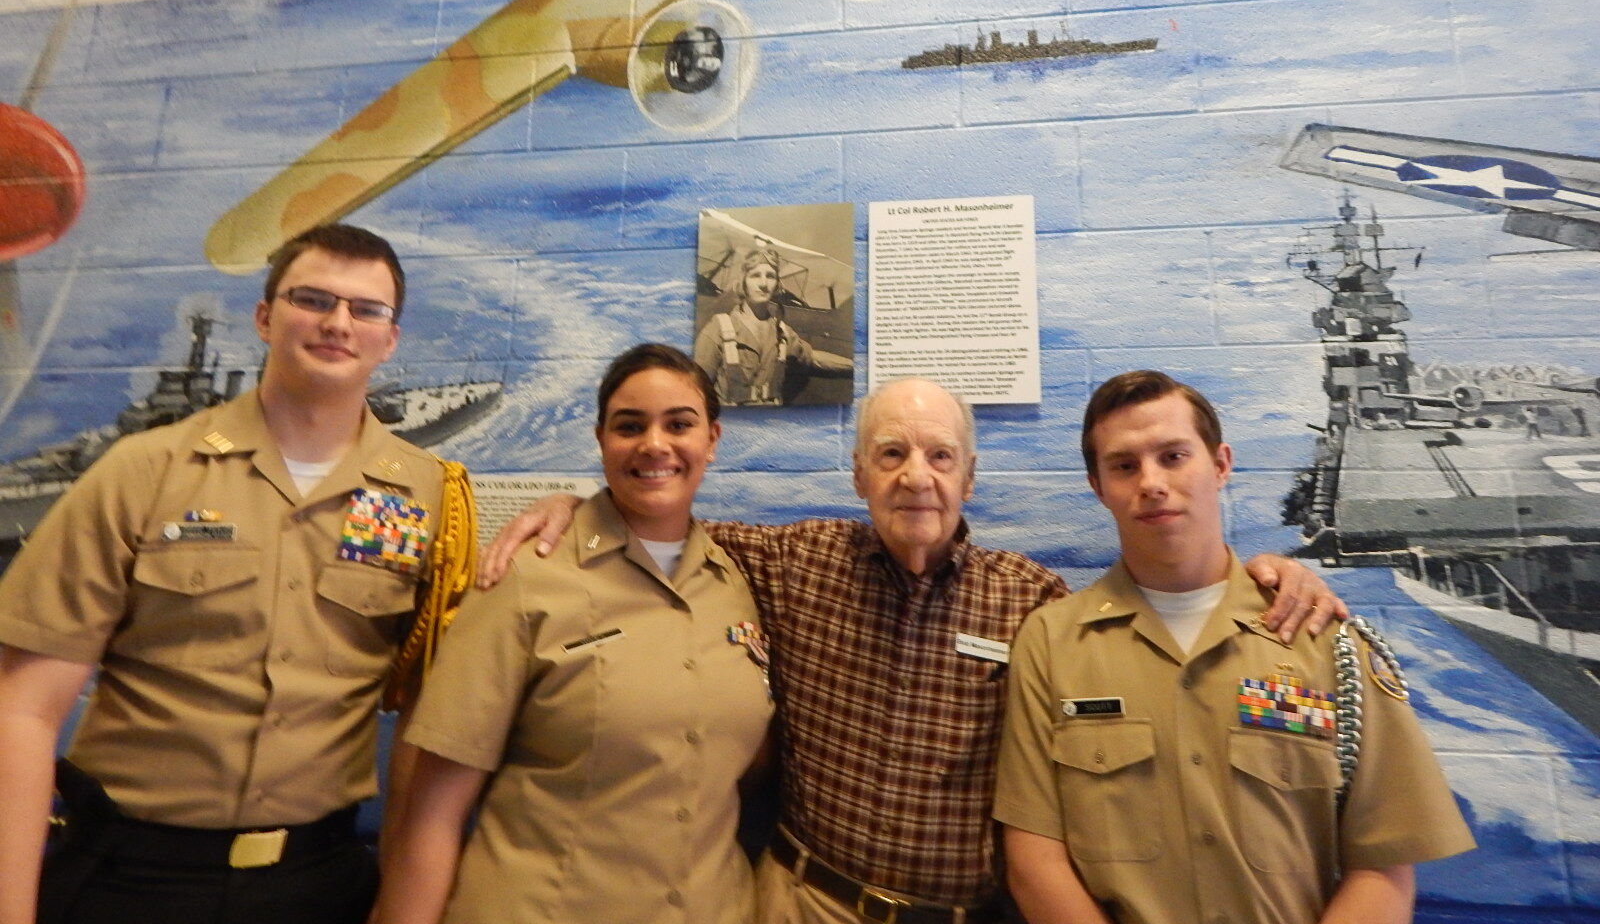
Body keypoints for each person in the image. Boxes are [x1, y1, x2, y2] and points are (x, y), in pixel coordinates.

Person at [482, 376, 1343, 922]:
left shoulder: (1038, 605)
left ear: (969, 477)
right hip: (801, 900)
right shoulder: (791, 561)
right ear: (859, 475)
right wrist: (571, 506)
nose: (915, 476)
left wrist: (1265, 574)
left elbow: (1157, 623)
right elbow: (663, 522)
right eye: (890, 454)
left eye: (939, 456)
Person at [0, 224, 471, 924]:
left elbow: (429, 718)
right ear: (265, 316)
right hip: (132, 882)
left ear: (390, 338)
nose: (338, 322)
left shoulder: (427, 496)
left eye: (365, 309)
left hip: (318, 885)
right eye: (312, 299)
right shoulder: (145, 471)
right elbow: (23, 709)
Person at [995, 370, 1474, 924]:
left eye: (1173, 456)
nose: (1151, 482)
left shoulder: (1321, 638)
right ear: (1098, 486)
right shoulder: (1054, 644)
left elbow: (1385, 866)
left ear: (1220, 464)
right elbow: (1035, 862)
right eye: (1124, 466)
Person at [370, 344, 772, 924]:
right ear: (601, 439)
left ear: (712, 438)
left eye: (678, 424)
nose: (654, 444)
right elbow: (433, 812)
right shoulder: (525, 576)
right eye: (629, 426)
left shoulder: (736, 579)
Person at [693, 246, 852, 406]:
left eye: (770, 276)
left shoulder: (782, 332)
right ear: (744, 282)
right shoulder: (719, 328)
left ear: (777, 284)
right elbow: (697, 391)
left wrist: (854, 366)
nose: (763, 284)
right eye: (755, 275)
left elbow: (812, 359)